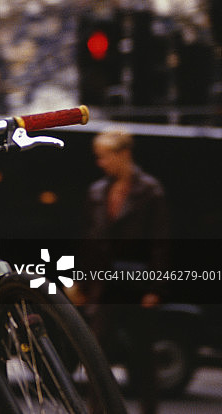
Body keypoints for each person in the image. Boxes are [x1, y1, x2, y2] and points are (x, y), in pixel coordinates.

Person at [78, 128, 170, 414]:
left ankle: (149, 410)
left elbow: (159, 242)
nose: (101, 163)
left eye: (106, 156)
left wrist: (155, 288)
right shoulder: (97, 191)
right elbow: (89, 240)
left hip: (136, 283)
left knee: (143, 356)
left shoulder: (150, 191)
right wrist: (83, 283)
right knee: (95, 353)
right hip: (104, 284)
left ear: (124, 154)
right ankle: (96, 410)